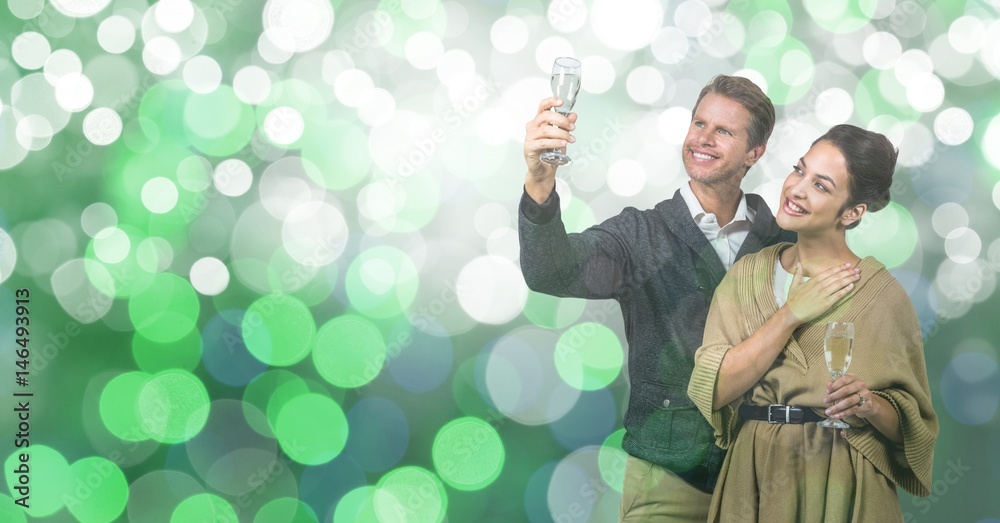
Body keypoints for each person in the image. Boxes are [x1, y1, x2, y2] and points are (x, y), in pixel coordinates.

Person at [518, 74, 795, 522]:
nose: (702, 139)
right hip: (667, 478)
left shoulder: (781, 240)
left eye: (723, 131)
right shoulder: (638, 235)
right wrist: (539, 180)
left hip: (764, 477)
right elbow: (551, 270)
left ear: (754, 153)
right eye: (698, 123)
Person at [687, 124, 938, 522]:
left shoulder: (883, 296)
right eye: (798, 169)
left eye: (821, 185)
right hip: (752, 474)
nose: (796, 189)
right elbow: (713, 389)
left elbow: (914, 428)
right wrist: (790, 315)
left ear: (853, 212)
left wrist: (869, 405)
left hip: (842, 479)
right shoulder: (746, 276)